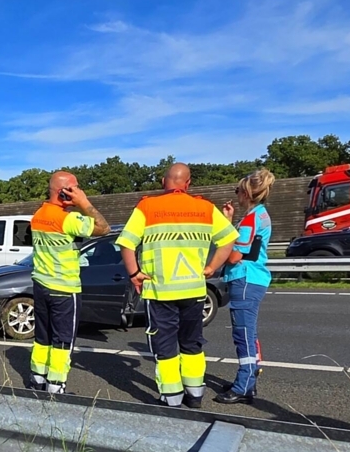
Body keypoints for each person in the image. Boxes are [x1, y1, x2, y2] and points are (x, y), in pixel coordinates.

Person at [117, 163, 238, 408]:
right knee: (192, 343)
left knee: (165, 345)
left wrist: (135, 273)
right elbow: (228, 241)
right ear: (188, 183)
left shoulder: (148, 207)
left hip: (160, 292)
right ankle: (195, 395)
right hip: (193, 291)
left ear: (164, 181)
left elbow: (126, 243)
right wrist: (211, 267)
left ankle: (171, 398)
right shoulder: (205, 208)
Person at [28, 171, 110, 394]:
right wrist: (84, 203)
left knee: (43, 337)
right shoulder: (68, 219)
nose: (79, 191)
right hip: (64, 287)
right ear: (63, 192)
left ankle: (37, 378)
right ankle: (56, 385)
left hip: (42, 284)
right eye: (74, 188)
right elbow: (104, 228)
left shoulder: (38, 215)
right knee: (63, 340)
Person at [216, 168, 275, 404]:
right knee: (248, 332)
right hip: (254, 278)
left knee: (243, 333)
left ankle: (244, 384)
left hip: (245, 279)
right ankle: (247, 382)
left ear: (247, 193)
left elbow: (234, 256)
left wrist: (226, 228)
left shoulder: (250, 219)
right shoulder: (261, 215)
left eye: (237, 190)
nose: (236, 194)